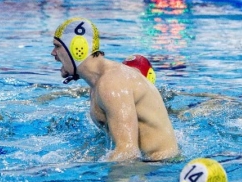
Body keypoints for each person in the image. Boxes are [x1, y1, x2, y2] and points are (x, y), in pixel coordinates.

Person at [51, 17, 178, 161]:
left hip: (159, 167)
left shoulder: (112, 84)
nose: (53, 53)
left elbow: (128, 153)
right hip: (148, 164)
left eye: (57, 46)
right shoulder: (98, 83)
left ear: (77, 48)